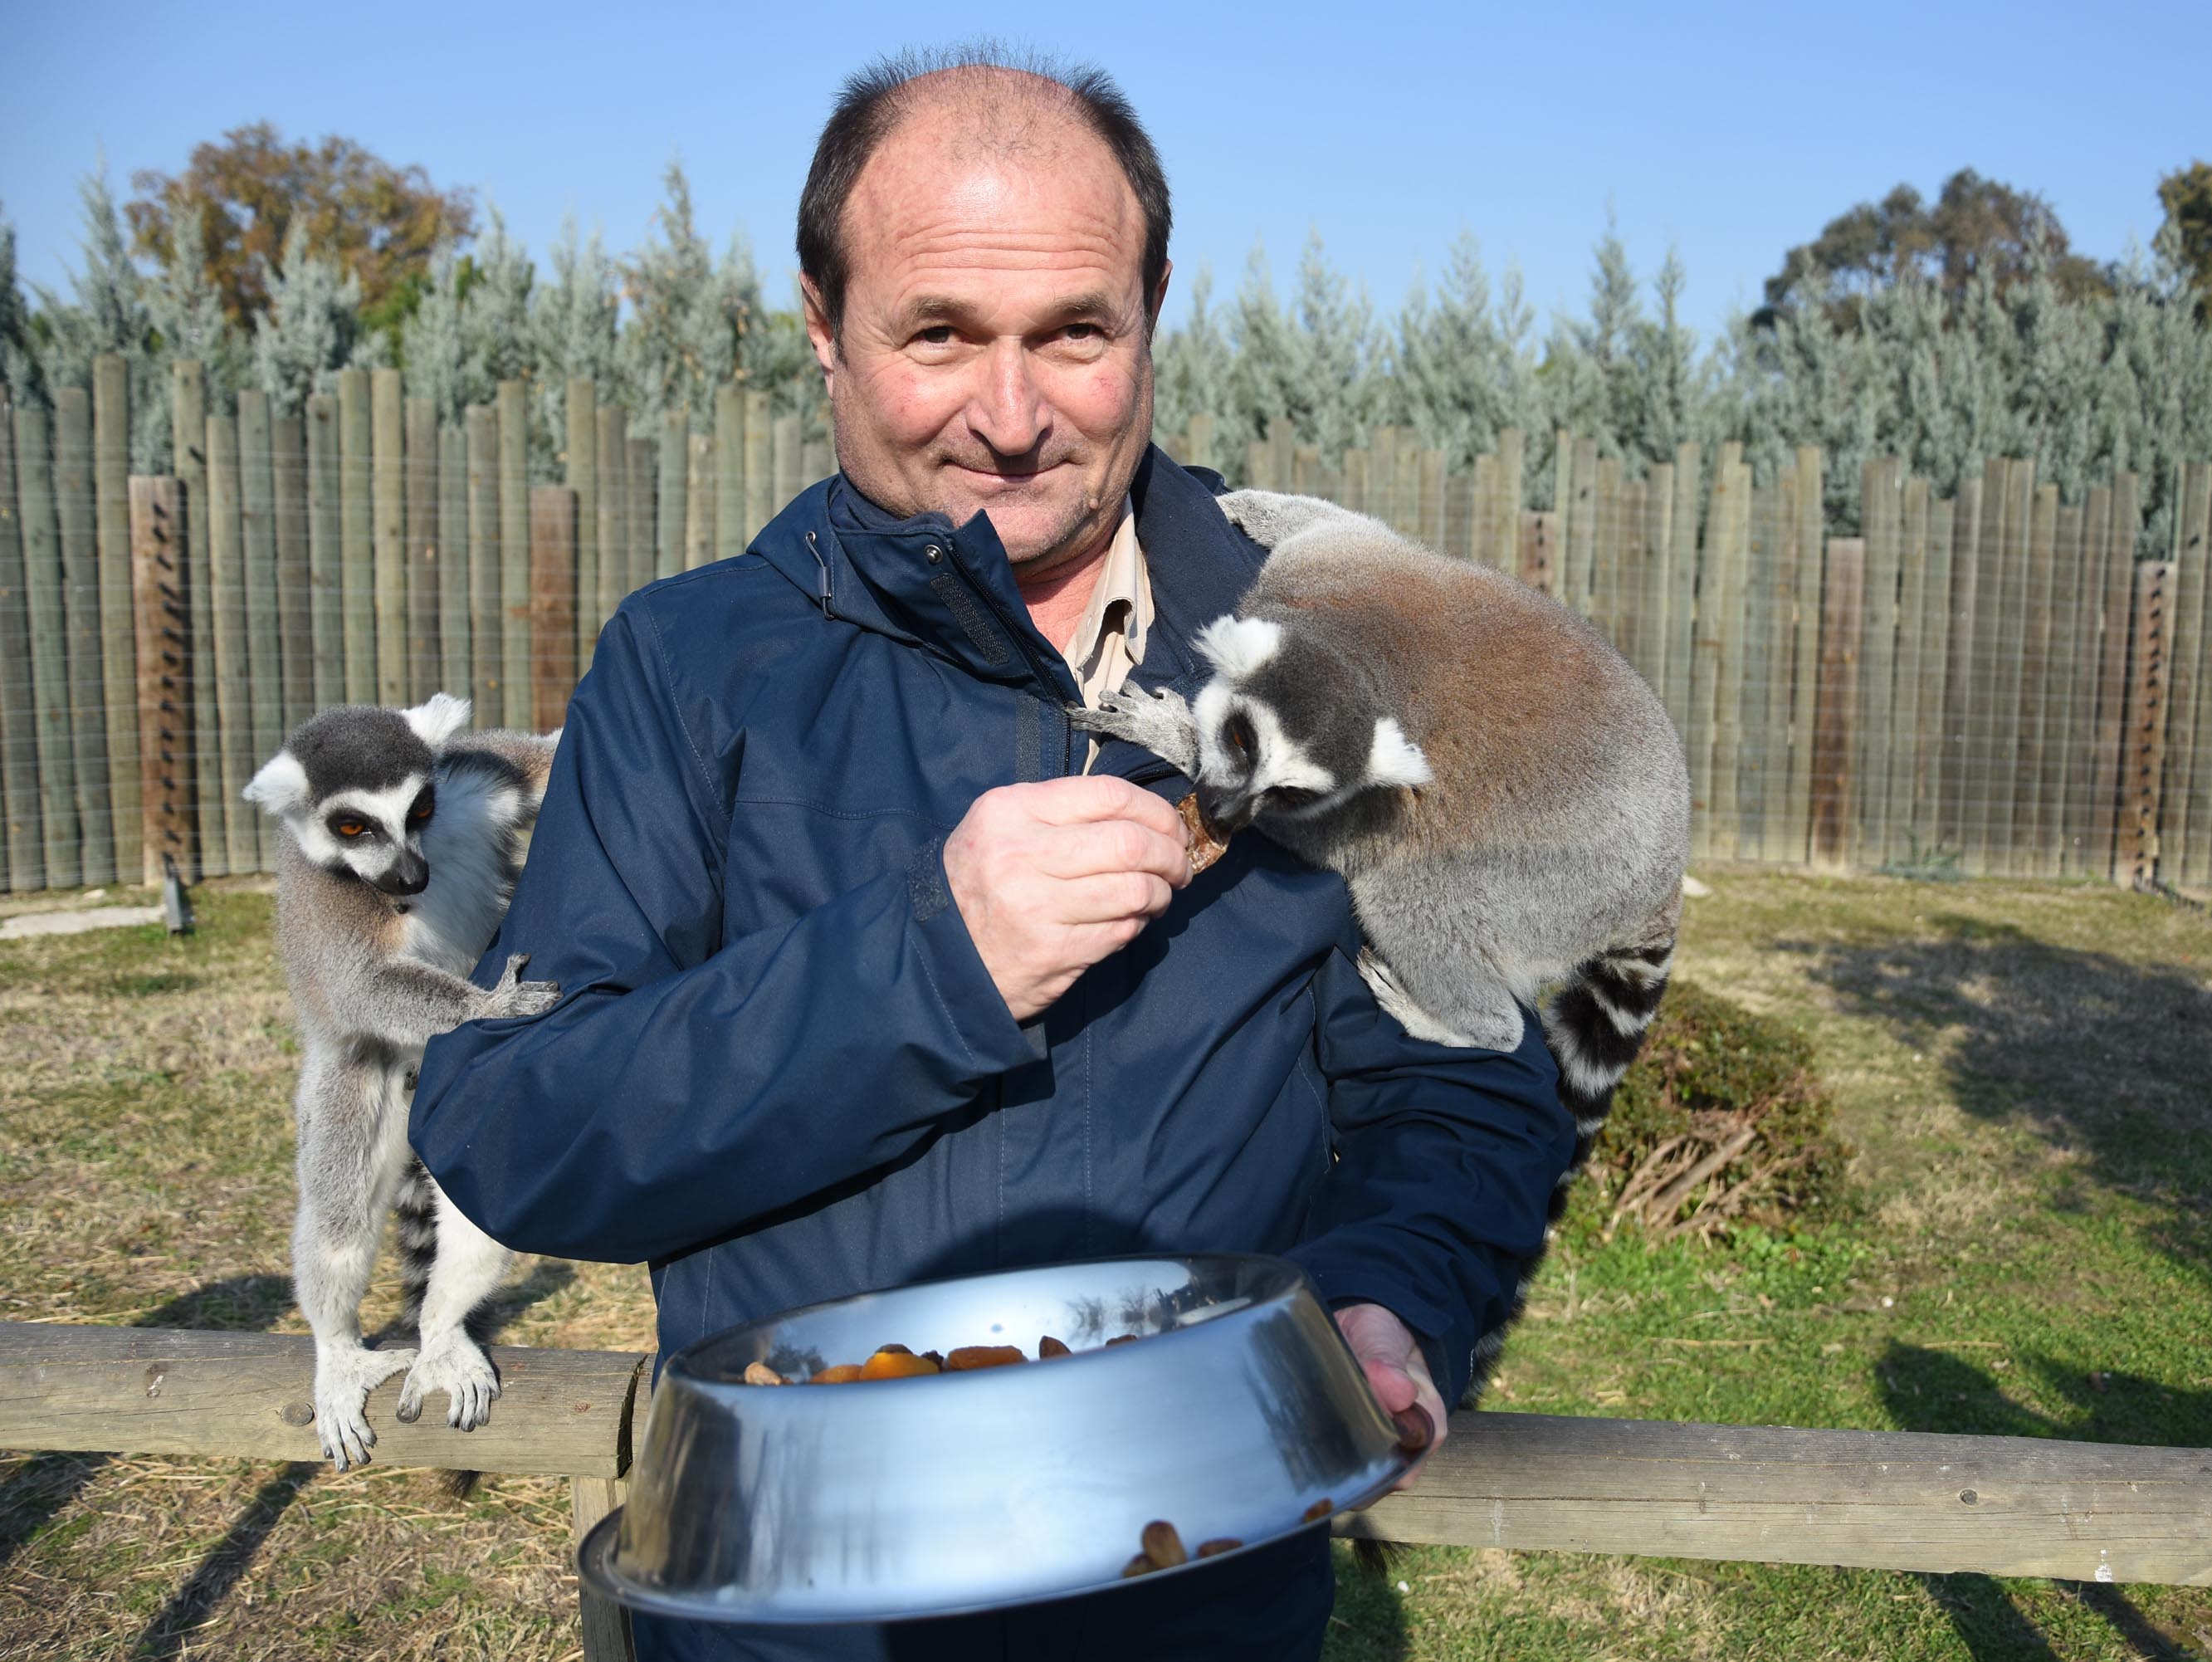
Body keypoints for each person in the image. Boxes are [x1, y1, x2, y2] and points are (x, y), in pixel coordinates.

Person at [409, 47, 1572, 1662]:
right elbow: (511, 1118)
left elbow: (1455, 1071)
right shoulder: (692, 665)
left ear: (1153, 310)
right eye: (938, 333)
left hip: (1205, 1586)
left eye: (1074, 334)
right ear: (823, 322)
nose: (1012, 418)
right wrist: (926, 961)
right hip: (790, 1600)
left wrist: (1390, 1284)